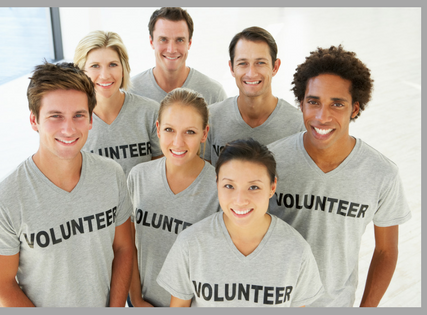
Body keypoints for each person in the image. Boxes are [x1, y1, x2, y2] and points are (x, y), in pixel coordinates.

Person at [0, 62, 134, 307]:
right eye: (55, 116)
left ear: (91, 119)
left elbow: (124, 248)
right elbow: (0, 286)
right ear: (34, 120)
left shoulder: (111, 175)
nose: (69, 128)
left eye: (78, 115)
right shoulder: (3, 199)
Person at [267, 45, 412, 307]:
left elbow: (385, 250)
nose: (323, 117)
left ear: (355, 109)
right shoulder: (271, 162)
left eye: (337, 104)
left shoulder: (382, 173)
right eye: (313, 102)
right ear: (301, 103)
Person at [157, 138, 323, 307]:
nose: (240, 200)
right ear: (217, 184)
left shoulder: (296, 250)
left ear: (272, 188)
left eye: (253, 187)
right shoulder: (190, 244)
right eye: (229, 186)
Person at [127, 88, 220, 307]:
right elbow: (128, 246)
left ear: (204, 133)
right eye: (170, 129)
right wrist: (137, 300)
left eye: (189, 132)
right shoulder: (138, 176)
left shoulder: (220, 187)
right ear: (158, 129)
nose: (178, 142)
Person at [205, 26, 305, 166]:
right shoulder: (211, 118)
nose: (251, 73)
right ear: (232, 68)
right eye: (243, 63)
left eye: (260, 63)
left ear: (275, 67)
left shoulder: (299, 125)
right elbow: (203, 178)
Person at [74, 30, 163, 176]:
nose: (105, 75)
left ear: (123, 69)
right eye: (95, 66)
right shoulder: (72, 120)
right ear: (82, 72)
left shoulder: (151, 112)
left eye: (113, 64)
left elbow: (160, 173)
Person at [129, 7, 227, 105]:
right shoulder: (130, 92)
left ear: (189, 43)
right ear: (151, 42)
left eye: (180, 40)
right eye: (163, 39)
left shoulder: (214, 94)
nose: (171, 50)